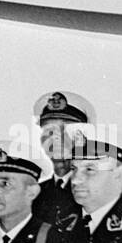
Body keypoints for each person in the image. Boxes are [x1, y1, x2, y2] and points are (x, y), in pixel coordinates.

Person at [31, 90, 94, 226]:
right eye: (49, 131)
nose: (56, 138)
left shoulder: (101, 184)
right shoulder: (35, 194)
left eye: (64, 131)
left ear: (82, 138)